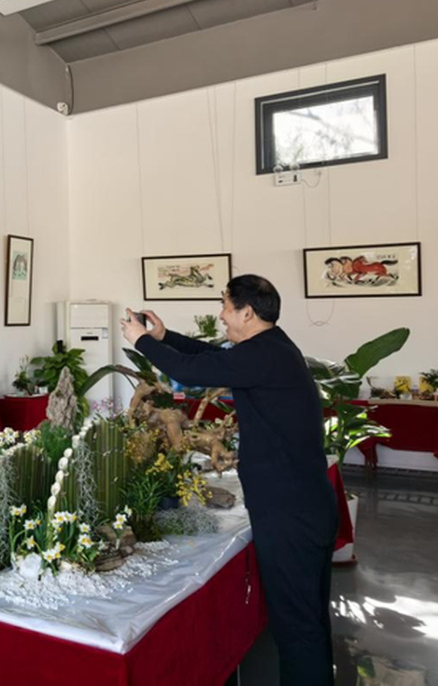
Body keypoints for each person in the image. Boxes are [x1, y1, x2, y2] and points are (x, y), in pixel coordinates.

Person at [119, 274, 338, 685]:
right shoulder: (269, 348)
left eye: (225, 306)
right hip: (301, 506)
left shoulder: (263, 356)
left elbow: (191, 370)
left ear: (247, 312)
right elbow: (211, 355)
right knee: (307, 619)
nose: (221, 315)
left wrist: (142, 340)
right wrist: (165, 337)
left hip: (291, 514)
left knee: (297, 627)